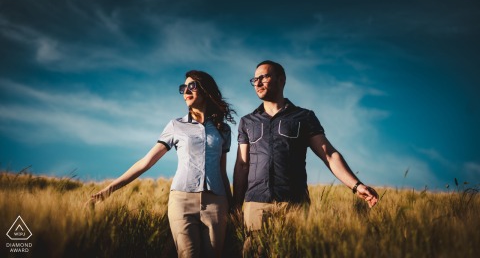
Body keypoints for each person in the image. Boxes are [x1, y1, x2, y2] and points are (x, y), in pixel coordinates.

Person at [89, 70, 236, 258]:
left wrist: (232, 204)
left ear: (206, 90)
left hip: (216, 203)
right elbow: (146, 162)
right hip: (182, 202)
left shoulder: (222, 130)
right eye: (183, 88)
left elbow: (222, 171)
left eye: (192, 86)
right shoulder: (176, 125)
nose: (186, 92)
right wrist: (107, 191)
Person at [233, 60, 379, 236]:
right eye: (254, 79)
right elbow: (242, 165)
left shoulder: (303, 117)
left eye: (263, 77)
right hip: (256, 206)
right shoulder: (247, 121)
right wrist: (235, 206)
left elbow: (329, 155)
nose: (257, 83)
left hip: (294, 205)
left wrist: (356, 186)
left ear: (281, 80)